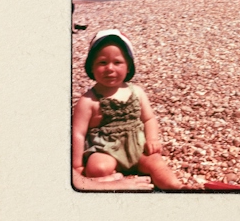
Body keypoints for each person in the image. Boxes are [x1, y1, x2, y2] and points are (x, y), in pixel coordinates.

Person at [71, 29, 183, 191]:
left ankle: (178, 188)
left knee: (156, 162)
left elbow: (148, 119)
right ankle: (112, 180)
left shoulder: (136, 92)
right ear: (91, 67)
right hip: (106, 149)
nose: (110, 68)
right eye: (102, 63)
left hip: (137, 146)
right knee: (98, 168)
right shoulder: (89, 100)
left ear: (129, 67)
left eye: (117, 62)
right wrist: (77, 165)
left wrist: (152, 139)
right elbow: (78, 133)